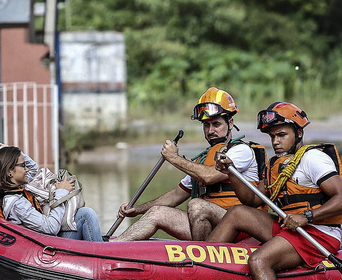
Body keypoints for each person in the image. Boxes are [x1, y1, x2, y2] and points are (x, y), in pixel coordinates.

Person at [207, 102, 342, 280]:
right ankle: (204, 266)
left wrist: (306, 217)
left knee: (259, 260)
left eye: (282, 135)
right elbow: (251, 200)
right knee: (237, 212)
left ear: (298, 133)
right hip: (289, 227)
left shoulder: (313, 159)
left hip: (318, 232)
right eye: (272, 136)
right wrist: (232, 173)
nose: (275, 141)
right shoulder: (275, 165)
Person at [112, 88, 266, 241]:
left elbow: (210, 176)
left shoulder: (242, 151)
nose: (211, 130)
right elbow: (175, 196)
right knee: (157, 212)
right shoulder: (201, 162)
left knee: (197, 205)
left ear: (230, 123)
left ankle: (202, 259)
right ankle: (112, 249)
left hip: (241, 227)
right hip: (212, 228)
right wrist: (138, 209)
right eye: (206, 125)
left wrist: (174, 158)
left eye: (216, 124)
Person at [0, 146, 104, 242]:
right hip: (47, 249)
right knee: (87, 215)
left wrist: (15, 153)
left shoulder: (8, 191)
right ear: (9, 171)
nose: (27, 169)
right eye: (23, 166)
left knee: (82, 214)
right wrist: (61, 192)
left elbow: (33, 168)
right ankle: (101, 260)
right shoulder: (17, 204)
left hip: (43, 241)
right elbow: (51, 228)